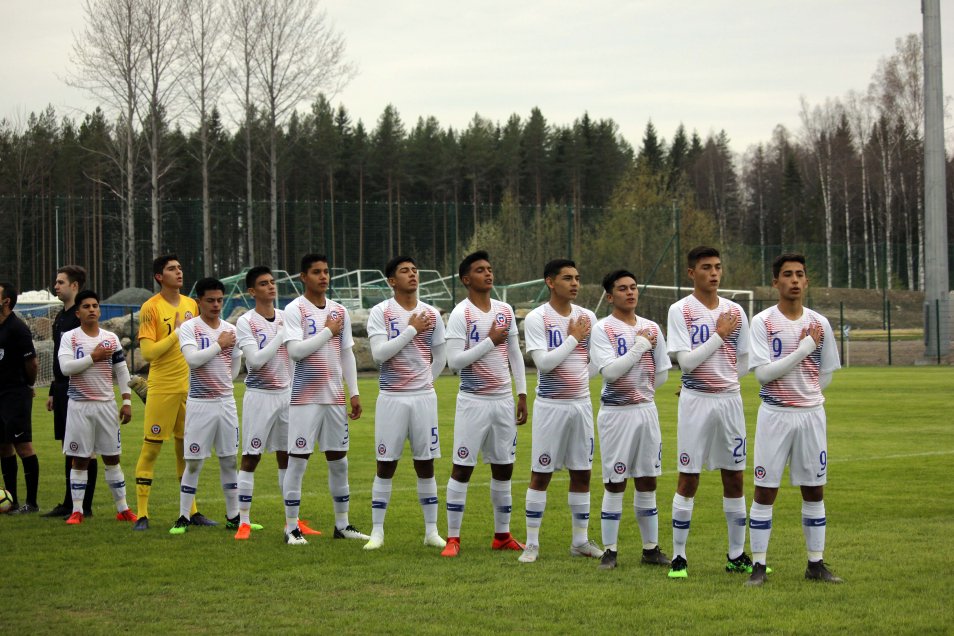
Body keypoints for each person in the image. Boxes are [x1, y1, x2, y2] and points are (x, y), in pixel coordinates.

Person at [745, 254, 842, 586]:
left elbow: (826, 373)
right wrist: (803, 350)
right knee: (764, 490)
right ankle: (759, 565)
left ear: (806, 280)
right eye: (787, 275)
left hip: (811, 416)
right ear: (776, 282)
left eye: (800, 274)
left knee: (814, 490)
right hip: (775, 416)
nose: (795, 280)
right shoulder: (762, 322)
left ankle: (815, 564)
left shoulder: (820, 323)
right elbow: (762, 375)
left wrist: (807, 394)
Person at [665, 246, 751, 579]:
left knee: (735, 476)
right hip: (695, 403)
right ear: (691, 273)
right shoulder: (680, 310)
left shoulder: (735, 311)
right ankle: (679, 557)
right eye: (706, 267)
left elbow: (744, 360)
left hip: (729, 402)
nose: (713, 273)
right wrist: (719, 335)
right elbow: (685, 362)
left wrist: (724, 379)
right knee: (689, 478)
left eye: (717, 267)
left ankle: (737, 555)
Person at [441, 251, 528, 558]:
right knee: (462, 467)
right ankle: (453, 538)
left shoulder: (504, 309)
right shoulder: (460, 314)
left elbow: (515, 354)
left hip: (503, 401)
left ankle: (502, 535)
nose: (488, 274)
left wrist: (522, 393)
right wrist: (490, 340)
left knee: (504, 468)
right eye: (480, 270)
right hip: (473, 402)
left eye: (490, 269)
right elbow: (454, 362)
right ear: (467, 279)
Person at [518, 258, 602, 564]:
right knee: (540, 474)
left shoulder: (588, 316)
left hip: (580, 406)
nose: (575, 283)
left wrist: (579, 377)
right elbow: (544, 363)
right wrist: (573, 338)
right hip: (550, 407)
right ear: (550, 282)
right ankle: (532, 543)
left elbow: (594, 362)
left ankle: (580, 541)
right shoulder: (538, 318)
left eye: (577, 278)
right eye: (568, 278)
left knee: (582, 473)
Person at [281, 254, 367, 546]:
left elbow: (346, 353)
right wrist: (327, 330)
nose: (323, 277)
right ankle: (291, 527)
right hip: (305, 398)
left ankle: (342, 525)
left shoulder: (338, 310)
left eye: (326, 272)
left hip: (334, 398)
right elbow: (295, 352)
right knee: (298, 461)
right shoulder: (294, 310)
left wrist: (353, 392)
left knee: (339, 462)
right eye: (316, 272)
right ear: (303, 277)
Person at [364, 255, 447, 551]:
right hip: (392, 398)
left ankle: (431, 531)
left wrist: (427, 380)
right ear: (391, 281)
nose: (412, 275)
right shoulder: (381, 312)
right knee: (385, 464)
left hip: (424, 398)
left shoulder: (432, 313)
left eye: (415, 270)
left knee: (426, 464)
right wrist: (411, 329)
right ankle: (377, 532)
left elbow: (441, 356)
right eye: (404, 271)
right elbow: (379, 355)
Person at [591, 270, 672, 570]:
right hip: (616, 414)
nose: (630, 293)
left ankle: (650, 549)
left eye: (634, 287)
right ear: (610, 296)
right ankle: (610, 551)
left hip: (645, 412)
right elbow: (609, 372)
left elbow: (661, 372)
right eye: (622, 289)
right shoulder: (603, 329)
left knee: (647, 480)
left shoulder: (652, 327)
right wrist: (639, 346)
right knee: (615, 481)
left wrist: (644, 391)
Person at [133, 255, 216, 530]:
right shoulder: (150, 308)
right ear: (159, 276)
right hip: (162, 389)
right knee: (151, 450)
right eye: (172, 269)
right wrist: (177, 334)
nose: (179, 272)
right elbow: (148, 353)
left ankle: (191, 511)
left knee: (188, 451)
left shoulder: (192, 304)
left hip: (190, 390)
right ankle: (142, 515)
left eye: (180, 267)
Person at [169, 277, 242, 535]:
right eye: (210, 300)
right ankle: (183, 517)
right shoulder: (190, 328)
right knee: (195, 462)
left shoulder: (230, 329)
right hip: (200, 404)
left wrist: (223, 380)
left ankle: (234, 517)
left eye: (220, 300)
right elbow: (193, 360)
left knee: (229, 460)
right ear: (199, 301)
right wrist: (218, 345)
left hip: (225, 403)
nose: (216, 305)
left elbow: (235, 366)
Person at [56, 290, 137, 524]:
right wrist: (94, 357)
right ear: (78, 312)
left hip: (106, 406)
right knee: (80, 459)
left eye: (95, 305)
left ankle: (123, 508)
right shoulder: (70, 337)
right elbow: (66, 369)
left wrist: (127, 401)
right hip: (79, 406)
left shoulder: (110, 338)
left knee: (112, 457)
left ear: (99, 310)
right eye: (86, 306)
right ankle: (77, 511)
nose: (92, 309)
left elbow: (121, 371)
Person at [233, 266, 288, 540]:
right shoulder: (246, 322)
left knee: (287, 456)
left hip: (287, 395)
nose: (271, 286)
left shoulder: (287, 316)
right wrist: (281, 334)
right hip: (260, 396)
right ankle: (244, 520)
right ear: (252, 291)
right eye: (264, 284)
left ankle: (293, 520)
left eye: (272, 282)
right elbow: (254, 361)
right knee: (251, 456)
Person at [44, 265, 98, 519]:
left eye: (60, 282)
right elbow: (59, 358)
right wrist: (54, 390)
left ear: (74, 286)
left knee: (85, 447)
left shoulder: (80, 316)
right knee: (70, 446)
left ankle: (83, 505)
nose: (56, 286)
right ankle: (70, 501)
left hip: (81, 389)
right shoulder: (60, 317)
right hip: (63, 387)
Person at [0, 282, 40, 513]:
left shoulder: (18, 328)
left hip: (16, 394)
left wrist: (28, 385)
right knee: (3, 447)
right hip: (0, 394)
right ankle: (11, 500)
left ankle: (32, 503)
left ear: (6, 301)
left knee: (23, 446)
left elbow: (32, 362)